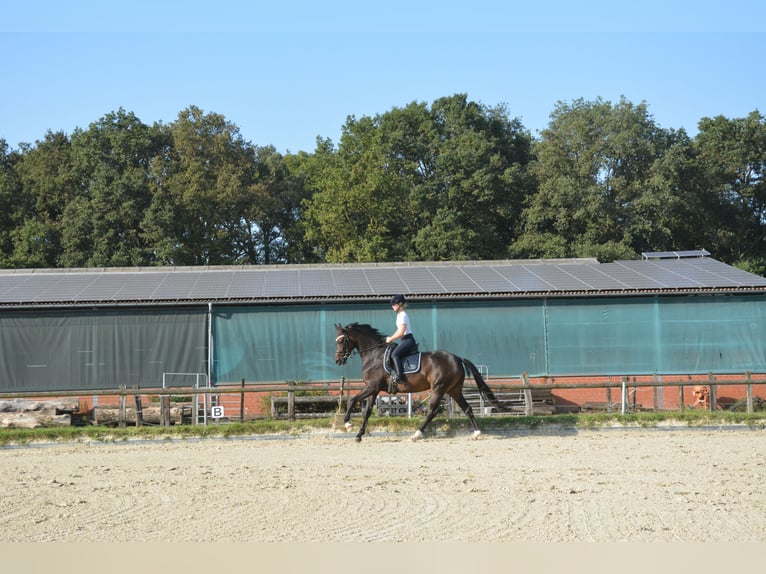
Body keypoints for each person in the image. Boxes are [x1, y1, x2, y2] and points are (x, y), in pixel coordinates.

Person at [385, 294, 417, 394]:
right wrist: (390, 338)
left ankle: (399, 377)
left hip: (408, 340)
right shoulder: (399, 315)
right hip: (404, 340)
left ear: (400, 304)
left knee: (394, 354)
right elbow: (398, 331)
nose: (392, 306)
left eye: (394, 304)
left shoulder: (403, 315)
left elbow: (402, 331)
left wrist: (391, 338)